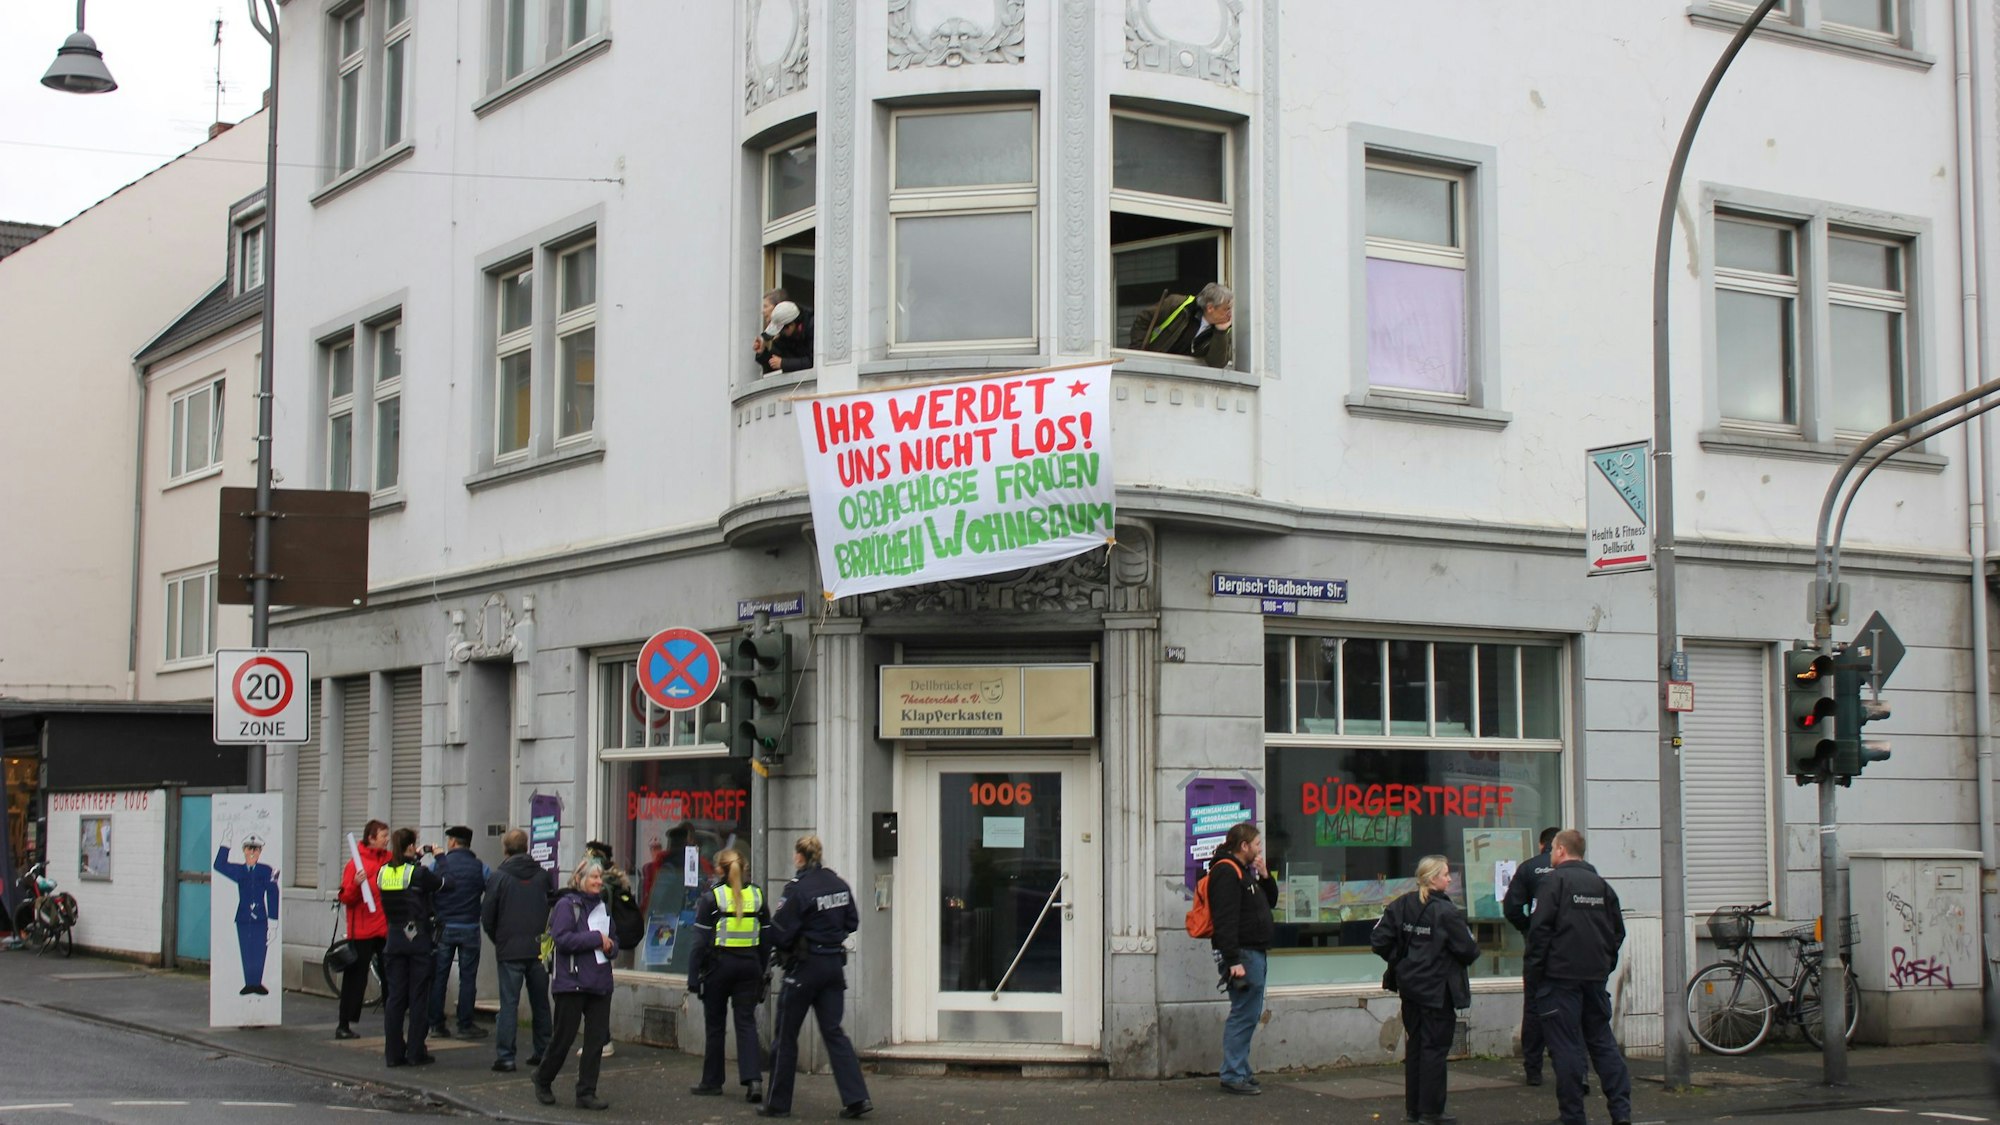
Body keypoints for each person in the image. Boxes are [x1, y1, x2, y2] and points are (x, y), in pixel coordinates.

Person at [759, 835, 871, 1119]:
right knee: (834, 1032)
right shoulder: (839, 884)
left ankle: (777, 1103)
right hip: (833, 966)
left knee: (786, 1034)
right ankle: (857, 1098)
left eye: (795, 854)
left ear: (800, 856)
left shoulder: (798, 889)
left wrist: (765, 931)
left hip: (804, 969)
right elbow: (852, 922)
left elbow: (782, 934)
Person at [1526, 830, 1634, 1125]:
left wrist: (1536, 976)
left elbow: (1539, 933)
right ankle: (1621, 1112)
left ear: (1560, 850)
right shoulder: (1601, 886)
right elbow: (1617, 932)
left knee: (1567, 1048)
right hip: (1594, 978)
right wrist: (1603, 966)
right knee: (1602, 1043)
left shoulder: (1553, 883)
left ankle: (1573, 1116)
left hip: (1559, 979)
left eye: (1552, 850)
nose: (1550, 854)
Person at [1372, 855, 1480, 1125]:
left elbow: (1379, 939)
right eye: (1445, 874)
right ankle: (1431, 1111)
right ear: (1432, 878)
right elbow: (1469, 950)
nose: (1449, 878)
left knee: (1417, 1048)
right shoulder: (1446, 912)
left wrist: (1403, 962)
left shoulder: (1402, 905)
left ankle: (1414, 1110)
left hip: (1411, 988)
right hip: (1437, 991)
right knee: (1434, 1050)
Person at [688, 847, 771, 1103]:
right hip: (749, 966)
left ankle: (712, 1081)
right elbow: (767, 939)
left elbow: (699, 942)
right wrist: (762, 969)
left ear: (719, 870)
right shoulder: (757, 895)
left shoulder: (711, 898)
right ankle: (754, 1081)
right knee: (746, 1022)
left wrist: (693, 977)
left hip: (719, 967)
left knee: (715, 1026)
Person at [534, 858, 617, 1112]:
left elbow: (613, 941)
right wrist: (596, 938)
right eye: (593, 877)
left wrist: (611, 945)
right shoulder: (566, 905)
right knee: (564, 1037)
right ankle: (543, 1078)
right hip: (572, 982)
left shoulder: (603, 907)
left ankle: (586, 1092)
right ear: (580, 879)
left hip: (600, 982)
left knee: (594, 1043)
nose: (598, 882)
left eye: (600, 878)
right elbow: (563, 939)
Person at [1208, 821, 1278, 1095]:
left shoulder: (1245, 872)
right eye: (1258, 845)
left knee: (1249, 1013)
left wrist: (1264, 875)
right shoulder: (1226, 872)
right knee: (1244, 1014)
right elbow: (1225, 920)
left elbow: (1270, 901)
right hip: (1243, 954)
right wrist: (1233, 960)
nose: (1261, 850)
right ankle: (1233, 1073)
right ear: (1244, 846)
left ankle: (1241, 1070)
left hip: (1252, 951)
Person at [484, 828, 556, 1073]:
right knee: (541, 1003)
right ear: (527, 847)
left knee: (509, 1004)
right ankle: (544, 1050)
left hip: (509, 948)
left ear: (506, 849)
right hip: (537, 948)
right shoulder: (543, 876)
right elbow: (551, 910)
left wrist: (500, 939)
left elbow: (487, 917)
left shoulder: (498, 877)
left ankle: (506, 1056)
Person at [377, 828, 445, 1068]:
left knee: (395, 998)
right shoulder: (419, 873)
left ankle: (393, 1054)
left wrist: (411, 858)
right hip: (417, 939)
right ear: (410, 846)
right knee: (418, 997)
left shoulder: (383, 872)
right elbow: (443, 882)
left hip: (394, 937)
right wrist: (439, 856)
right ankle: (416, 1051)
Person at [1503, 826, 1562, 1087]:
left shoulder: (1529, 868)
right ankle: (1573, 1070)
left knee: (1535, 1008)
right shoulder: (1579, 870)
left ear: (1542, 844)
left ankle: (1533, 1070)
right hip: (1570, 951)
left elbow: (1512, 907)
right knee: (1570, 1009)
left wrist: (1529, 928)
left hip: (1539, 949)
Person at [429, 825, 491, 1040]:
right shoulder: (480, 867)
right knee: (468, 978)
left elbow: (426, 888)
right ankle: (465, 1024)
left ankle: (436, 1024)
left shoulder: (437, 865)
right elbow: (492, 891)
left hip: (444, 927)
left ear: (453, 842)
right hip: (470, 928)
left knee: (439, 977)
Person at [335, 819, 391, 1040]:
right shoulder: (355, 865)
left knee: (391, 977)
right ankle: (343, 1024)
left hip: (384, 928)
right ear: (371, 838)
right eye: (383, 836)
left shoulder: (388, 860)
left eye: (387, 836)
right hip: (363, 930)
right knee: (355, 979)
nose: (386, 839)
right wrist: (356, 885)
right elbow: (346, 897)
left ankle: (392, 1021)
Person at [213, 834, 279, 995]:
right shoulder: (239, 870)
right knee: (246, 949)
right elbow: (219, 865)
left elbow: (272, 893)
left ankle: (257, 983)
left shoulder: (266, 870)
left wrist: (273, 922)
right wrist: (226, 842)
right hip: (243, 916)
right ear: (243, 850)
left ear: (260, 852)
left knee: (259, 950)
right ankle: (249, 983)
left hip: (261, 917)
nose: (252, 852)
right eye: (249, 848)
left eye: (256, 849)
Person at [1128, 281, 1233, 369]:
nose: (1230, 313)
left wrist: (1221, 331)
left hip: (1184, 377)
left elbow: (1217, 364)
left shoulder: (1222, 330)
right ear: (1210, 308)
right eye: (1226, 309)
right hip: (1153, 366)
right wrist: (1138, 352)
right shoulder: (1179, 304)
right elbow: (1143, 319)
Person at [753, 298, 814, 375]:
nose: (779, 334)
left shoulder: (813, 328)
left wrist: (784, 363)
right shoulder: (784, 337)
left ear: (792, 325)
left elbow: (814, 361)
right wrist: (763, 353)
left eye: (781, 330)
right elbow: (773, 365)